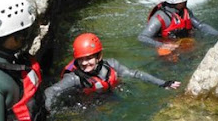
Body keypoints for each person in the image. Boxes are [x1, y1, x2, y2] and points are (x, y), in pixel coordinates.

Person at [45, 32, 181, 111]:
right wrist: (48, 110)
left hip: (108, 94)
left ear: (99, 56)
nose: (85, 63)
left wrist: (163, 83)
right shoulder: (74, 78)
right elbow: (50, 91)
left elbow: (135, 74)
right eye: (81, 59)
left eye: (89, 58)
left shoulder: (112, 65)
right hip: (87, 104)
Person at [138, 0, 218, 53]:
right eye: (184, 1)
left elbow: (200, 26)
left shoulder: (185, 11)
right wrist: (162, 45)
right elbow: (142, 37)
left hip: (182, 44)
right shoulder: (159, 18)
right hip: (167, 47)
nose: (186, 3)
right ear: (180, 2)